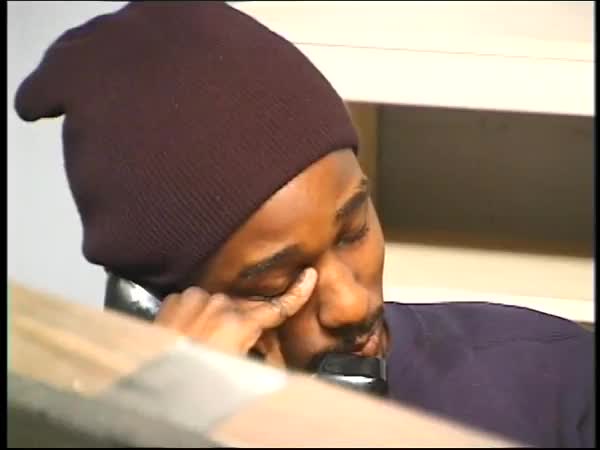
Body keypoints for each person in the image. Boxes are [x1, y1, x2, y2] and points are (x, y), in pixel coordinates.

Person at [15, 2, 593, 447]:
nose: (350, 305)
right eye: (277, 282)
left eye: (354, 230)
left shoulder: (554, 381)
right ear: (157, 302)